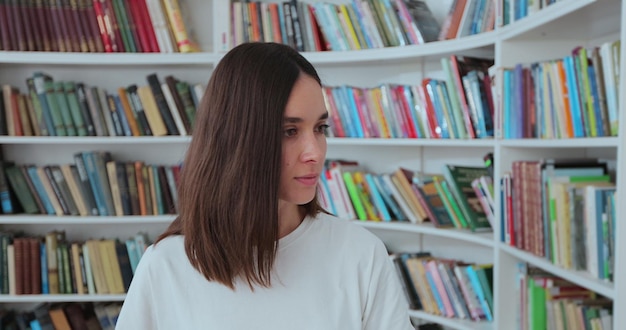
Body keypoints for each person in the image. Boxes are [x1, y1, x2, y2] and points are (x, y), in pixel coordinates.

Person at [115, 42, 413, 330]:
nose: (315, 152)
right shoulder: (166, 265)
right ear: (237, 139)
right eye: (289, 131)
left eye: (320, 128)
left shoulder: (361, 255)